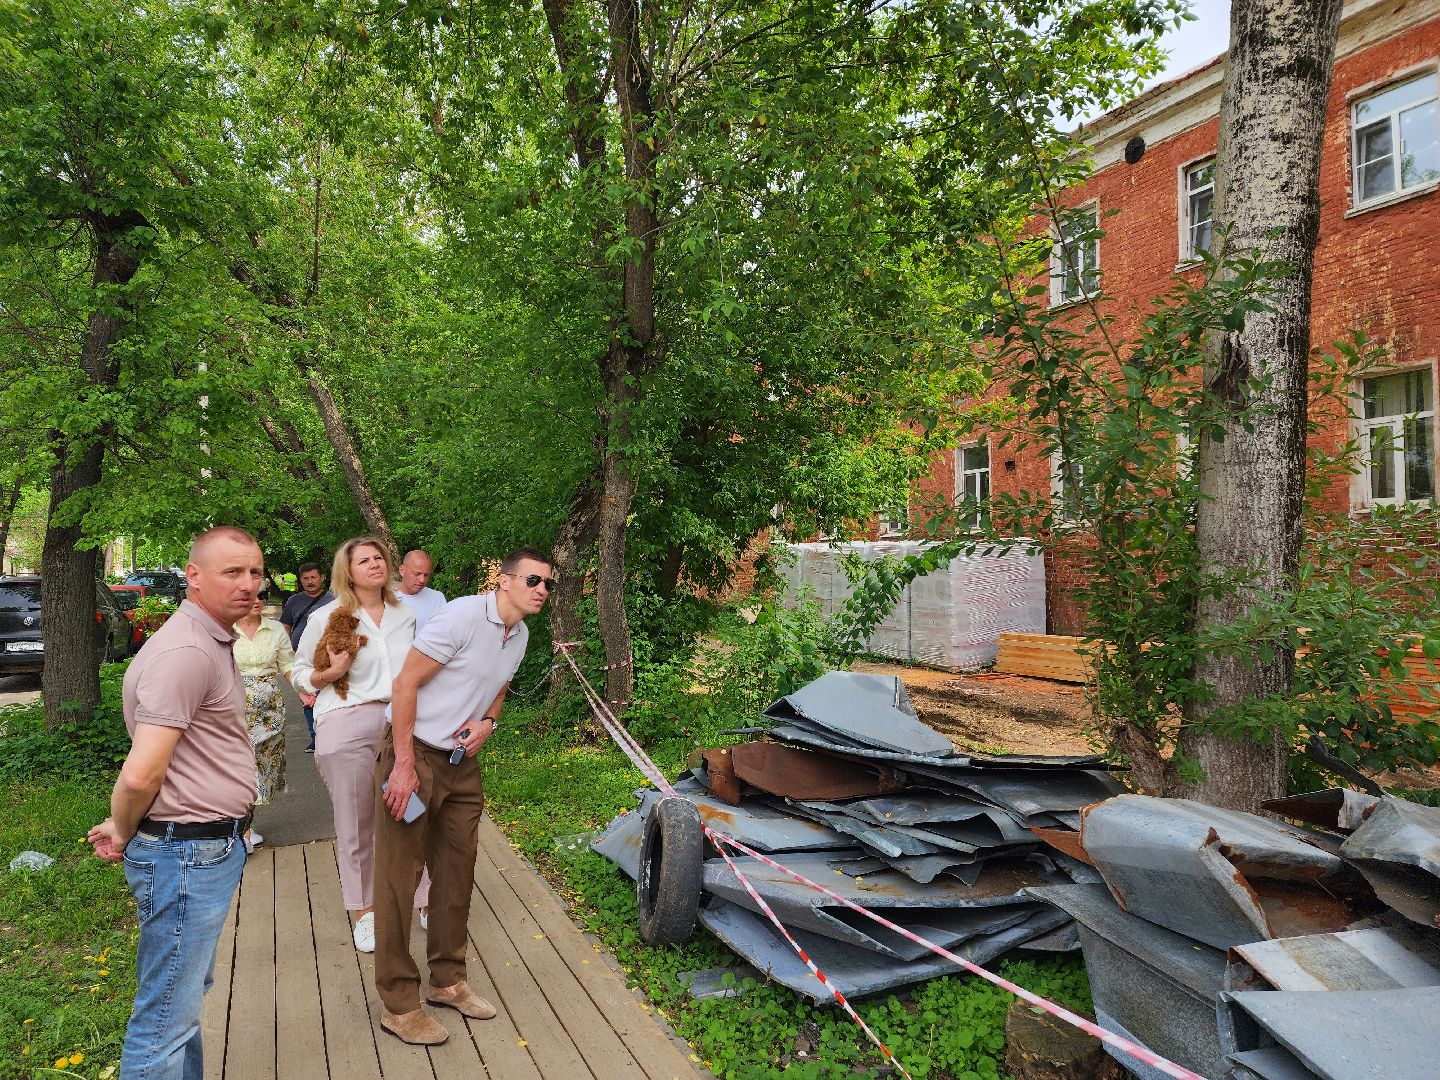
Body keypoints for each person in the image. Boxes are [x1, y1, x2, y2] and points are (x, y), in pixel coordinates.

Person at [88, 526, 264, 1080]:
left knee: (179, 1004)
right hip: (186, 856)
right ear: (193, 576)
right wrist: (122, 828)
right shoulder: (187, 652)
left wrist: (123, 822)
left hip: (197, 850)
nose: (249, 584)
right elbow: (141, 773)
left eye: (255, 572)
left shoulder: (206, 640)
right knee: (165, 1018)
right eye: (232, 572)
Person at [371, 546, 554, 1045]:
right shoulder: (461, 617)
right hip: (413, 756)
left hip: (460, 763)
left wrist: (488, 721)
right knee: (399, 878)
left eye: (548, 584)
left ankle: (447, 981)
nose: (542, 590)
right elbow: (405, 684)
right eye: (533, 580)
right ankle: (399, 1004)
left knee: (456, 871)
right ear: (504, 580)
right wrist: (402, 766)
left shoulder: (520, 635)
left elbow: (499, 687)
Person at [291, 537, 425, 953]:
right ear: (347, 572)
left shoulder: (406, 613)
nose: (374, 564)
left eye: (378, 557)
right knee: (356, 821)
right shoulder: (327, 617)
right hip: (347, 721)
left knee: (413, 812)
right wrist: (329, 674)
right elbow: (298, 673)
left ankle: (424, 898)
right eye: (363, 560)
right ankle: (365, 910)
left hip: (400, 722)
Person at [233, 590, 296, 851]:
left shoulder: (275, 630)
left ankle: (246, 827)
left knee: (261, 769)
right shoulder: (226, 629)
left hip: (270, 713)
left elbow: (288, 666)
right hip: (233, 711)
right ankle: (242, 832)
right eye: (252, 596)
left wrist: (306, 693)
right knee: (239, 768)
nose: (258, 600)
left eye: (262, 595)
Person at [281, 562, 333, 752]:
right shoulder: (293, 601)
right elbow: (285, 626)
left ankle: (328, 734)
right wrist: (287, 650)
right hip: (301, 657)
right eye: (305, 578)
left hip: (328, 658)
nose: (310, 581)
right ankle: (315, 737)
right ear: (300, 580)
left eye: (313, 577)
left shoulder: (334, 600)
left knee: (327, 697)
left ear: (322, 578)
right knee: (308, 697)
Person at [395, 549, 447, 633]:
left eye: (426, 575)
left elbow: (445, 632)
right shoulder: (386, 597)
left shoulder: (437, 599)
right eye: (417, 574)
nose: (422, 580)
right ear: (402, 570)